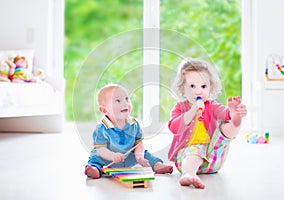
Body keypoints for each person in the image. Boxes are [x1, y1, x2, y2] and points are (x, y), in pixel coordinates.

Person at [168, 58, 247, 189]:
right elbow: (174, 128)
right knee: (195, 150)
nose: (198, 91)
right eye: (192, 86)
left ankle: (236, 123)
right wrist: (193, 110)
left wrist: (233, 113)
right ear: (182, 88)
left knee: (224, 129)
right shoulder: (180, 108)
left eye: (203, 86)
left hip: (213, 158)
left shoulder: (212, 106)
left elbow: (224, 112)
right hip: (186, 159)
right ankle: (188, 175)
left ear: (211, 88)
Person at [84, 84, 173, 179]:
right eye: (117, 101)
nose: (124, 103)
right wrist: (112, 156)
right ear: (104, 110)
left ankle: (157, 165)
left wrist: (139, 157)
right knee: (96, 159)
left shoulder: (134, 124)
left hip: (127, 157)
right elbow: (101, 150)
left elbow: (138, 144)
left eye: (126, 99)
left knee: (146, 154)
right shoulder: (102, 128)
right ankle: (95, 170)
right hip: (107, 159)